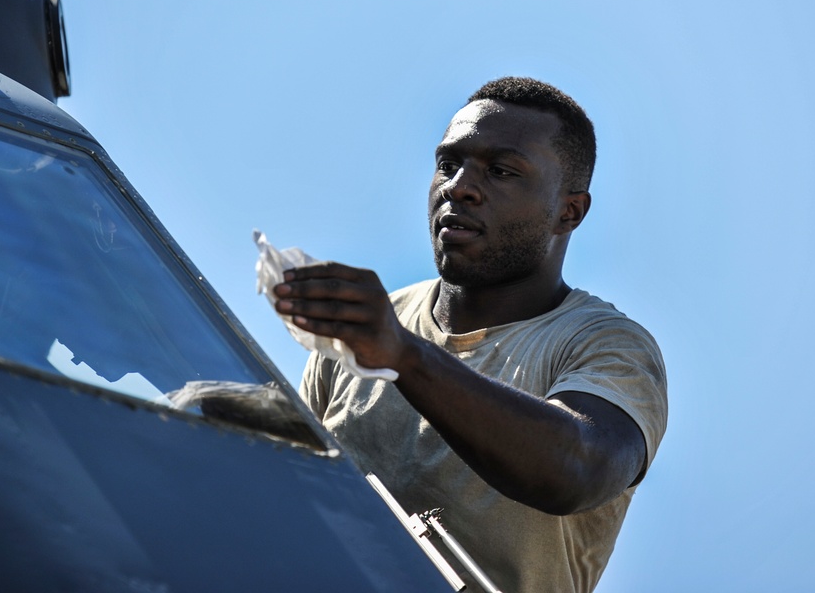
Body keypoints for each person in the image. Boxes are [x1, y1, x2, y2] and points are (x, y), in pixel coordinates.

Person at [273, 77, 668, 593]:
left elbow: (577, 469)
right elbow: (291, 488)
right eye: (447, 164)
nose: (458, 187)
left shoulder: (603, 343)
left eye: (501, 171)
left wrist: (405, 358)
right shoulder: (367, 332)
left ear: (568, 211)